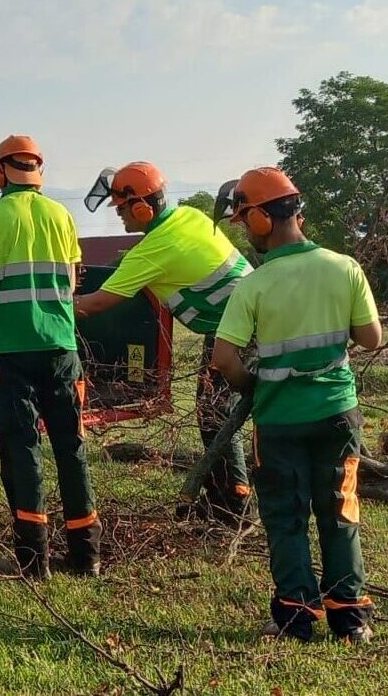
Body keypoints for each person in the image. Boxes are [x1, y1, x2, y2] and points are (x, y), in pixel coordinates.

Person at [211, 167, 381, 643]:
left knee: (286, 518)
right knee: (340, 511)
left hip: (279, 420)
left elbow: (224, 359)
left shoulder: (255, 284)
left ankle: (295, 618)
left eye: (246, 219)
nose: (246, 229)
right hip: (337, 414)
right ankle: (350, 618)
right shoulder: (344, 267)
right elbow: (371, 337)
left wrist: (254, 386)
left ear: (263, 219)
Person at [74, 161, 253, 522]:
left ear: (142, 207)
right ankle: (225, 496)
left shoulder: (154, 248)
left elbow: (96, 304)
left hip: (240, 334)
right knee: (216, 413)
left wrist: (45, 306)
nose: (120, 216)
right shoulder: (191, 216)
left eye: (123, 209)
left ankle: (236, 504)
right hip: (246, 324)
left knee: (216, 415)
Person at [0, 135, 99, 578]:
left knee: (23, 449)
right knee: (71, 447)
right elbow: (72, 282)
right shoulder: (62, 215)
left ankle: (33, 559)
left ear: (2, 171)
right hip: (62, 346)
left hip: (14, 350)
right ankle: (86, 556)